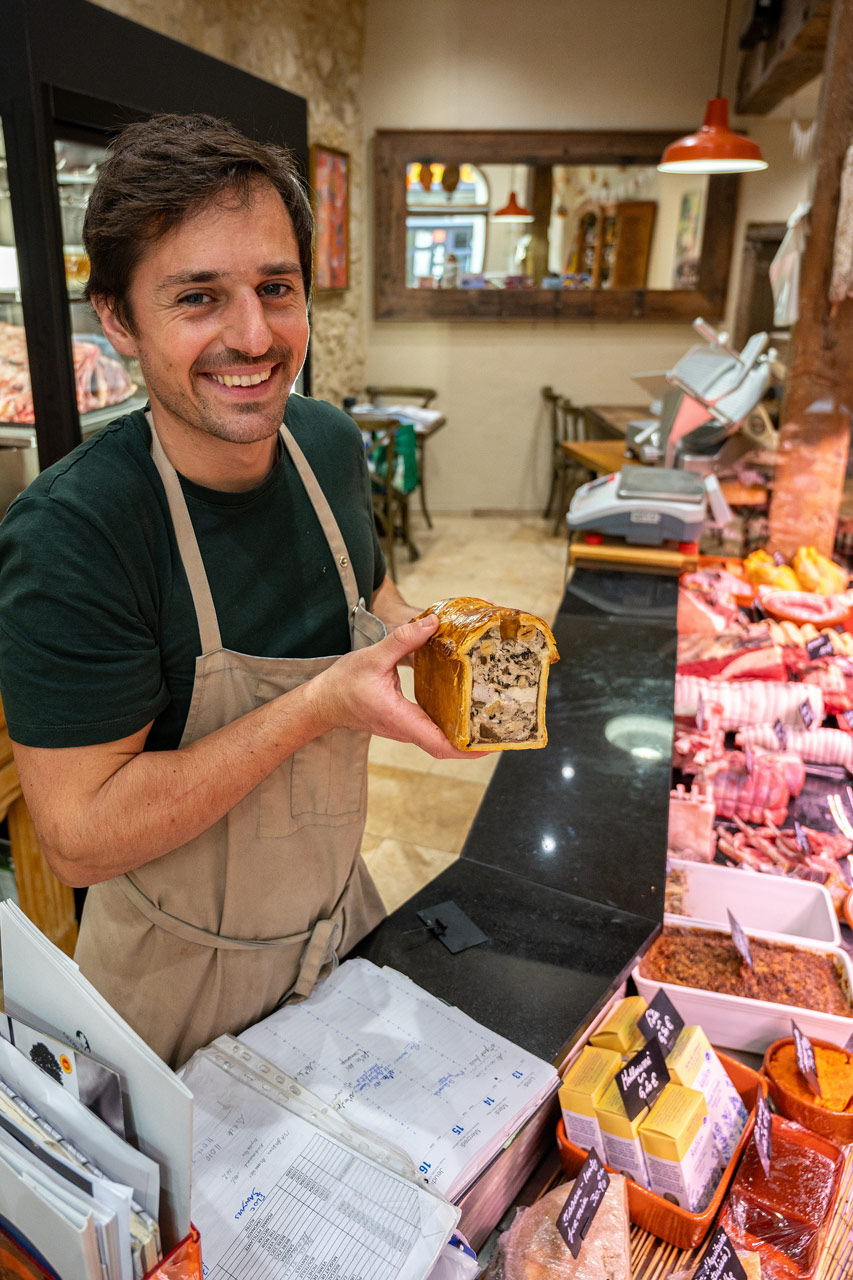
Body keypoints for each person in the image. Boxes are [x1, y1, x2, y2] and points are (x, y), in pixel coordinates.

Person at [0, 113, 477, 1069]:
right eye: (198, 298)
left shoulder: (330, 445)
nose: (253, 336)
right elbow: (81, 838)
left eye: (275, 288)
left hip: (341, 921)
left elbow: (372, 593)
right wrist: (316, 706)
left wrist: (441, 650)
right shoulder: (76, 533)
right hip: (174, 983)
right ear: (120, 320)